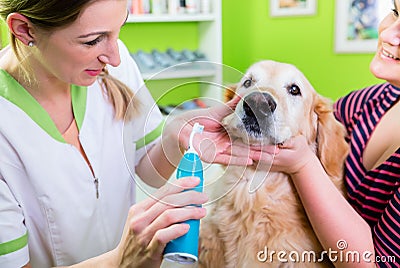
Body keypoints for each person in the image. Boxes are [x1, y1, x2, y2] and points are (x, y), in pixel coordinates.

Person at [0, 0, 254, 267]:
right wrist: (121, 259)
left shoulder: (114, 64)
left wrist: (173, 138)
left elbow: (146, 171)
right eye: (92, 41)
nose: (115, 56)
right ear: (24, 30)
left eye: (119, 29)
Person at [253, 1, 400, 266]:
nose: (389, 34)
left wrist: (302, 165)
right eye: (396, 12)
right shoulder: (367, 103)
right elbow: (304, 122)